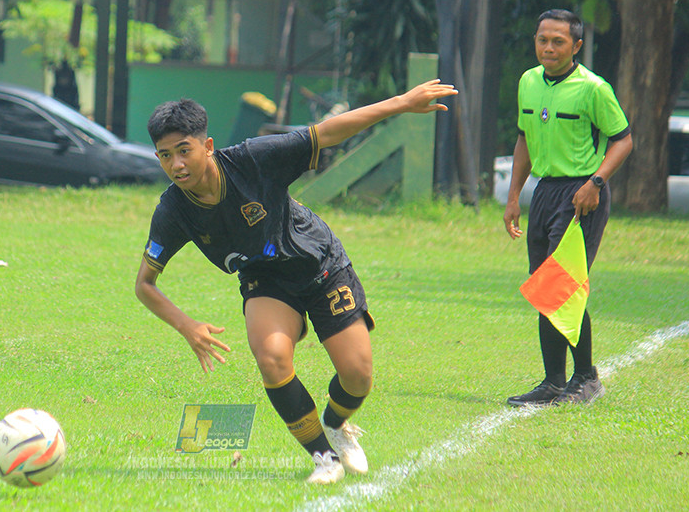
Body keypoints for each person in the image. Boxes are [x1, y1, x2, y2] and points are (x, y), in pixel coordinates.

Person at [134, 80, 457, 484]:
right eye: (165, 156)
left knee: (358, 376)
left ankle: (337, 424)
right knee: (270, 356)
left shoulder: (254, 160)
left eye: (184, 151)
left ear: (208, 146)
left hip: (318, 263)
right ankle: (324, 458)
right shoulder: (172, 210)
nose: (176, 164)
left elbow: (329, 132)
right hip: (265, 280)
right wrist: (187, 325)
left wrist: (402, 103)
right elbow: (145, 283)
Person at [503, 9, 633, 407]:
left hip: (582, 196)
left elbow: (623, 139)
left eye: (558, 41)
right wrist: (513, 198)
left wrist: (596, 182)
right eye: (543, 39)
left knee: (563, 285)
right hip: (545, 193)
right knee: (546, 288)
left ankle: (587, 377)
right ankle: (553, 382)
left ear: (576, 46)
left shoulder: (593, 88)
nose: (549, 47)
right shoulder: (528, 82)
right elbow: (524, 141)